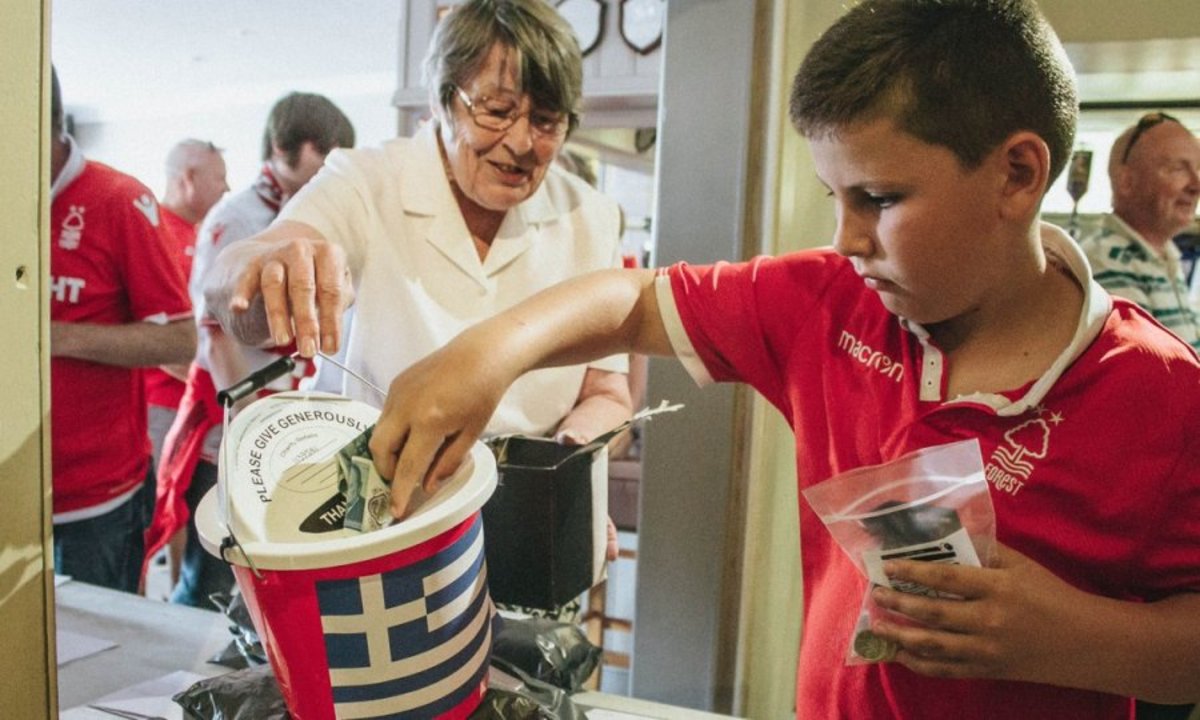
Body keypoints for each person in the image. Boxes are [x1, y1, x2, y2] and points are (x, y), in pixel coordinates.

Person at [222, 1, 1200, 717]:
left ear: (1017, 174)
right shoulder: (827, 302)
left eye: (880, 200)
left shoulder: (1162, 399)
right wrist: (485, 355)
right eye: (834, 198)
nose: (848, 236)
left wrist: (1077, 638)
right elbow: (628, 302)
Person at [203, 0, 632, 618]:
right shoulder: (366, 181)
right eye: (497, 110)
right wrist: (259, 268)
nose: (520, 143)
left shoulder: (588, 215)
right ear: (441, 97)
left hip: (522, 529)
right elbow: (239, 279)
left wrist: (569, 469)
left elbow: (606, 391)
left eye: (546, 120)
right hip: (367, 521)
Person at [144, 92, 356, 607]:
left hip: (286, 412)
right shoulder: (237, 218)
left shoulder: (298, 210)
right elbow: (213, 332)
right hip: (240, 421)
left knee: (268, 569)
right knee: (218, 570)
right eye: (326, 158)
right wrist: (252, 421)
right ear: (295, 150)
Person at [49, 68, 197, 593]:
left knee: (97, 665)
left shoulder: (117, 200)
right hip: (15, 491)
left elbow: (180, 341)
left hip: (97, 503)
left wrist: (55, 337)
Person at [1079, 113, 1200, 352]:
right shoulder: (1107, 259)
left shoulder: (1164, 255)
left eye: (1198, 169)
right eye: (1178, 169)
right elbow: (1152, 372)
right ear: (1126, 181)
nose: (1196, 184)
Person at [146, 139, 229, 466]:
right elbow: (159, 334)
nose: (227, 188)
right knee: (167, 510)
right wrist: (224, 384)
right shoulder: (155, 232)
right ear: (188, 178)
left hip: (200, 400)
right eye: (218, 178)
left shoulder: (200, 236)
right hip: (166, 406)